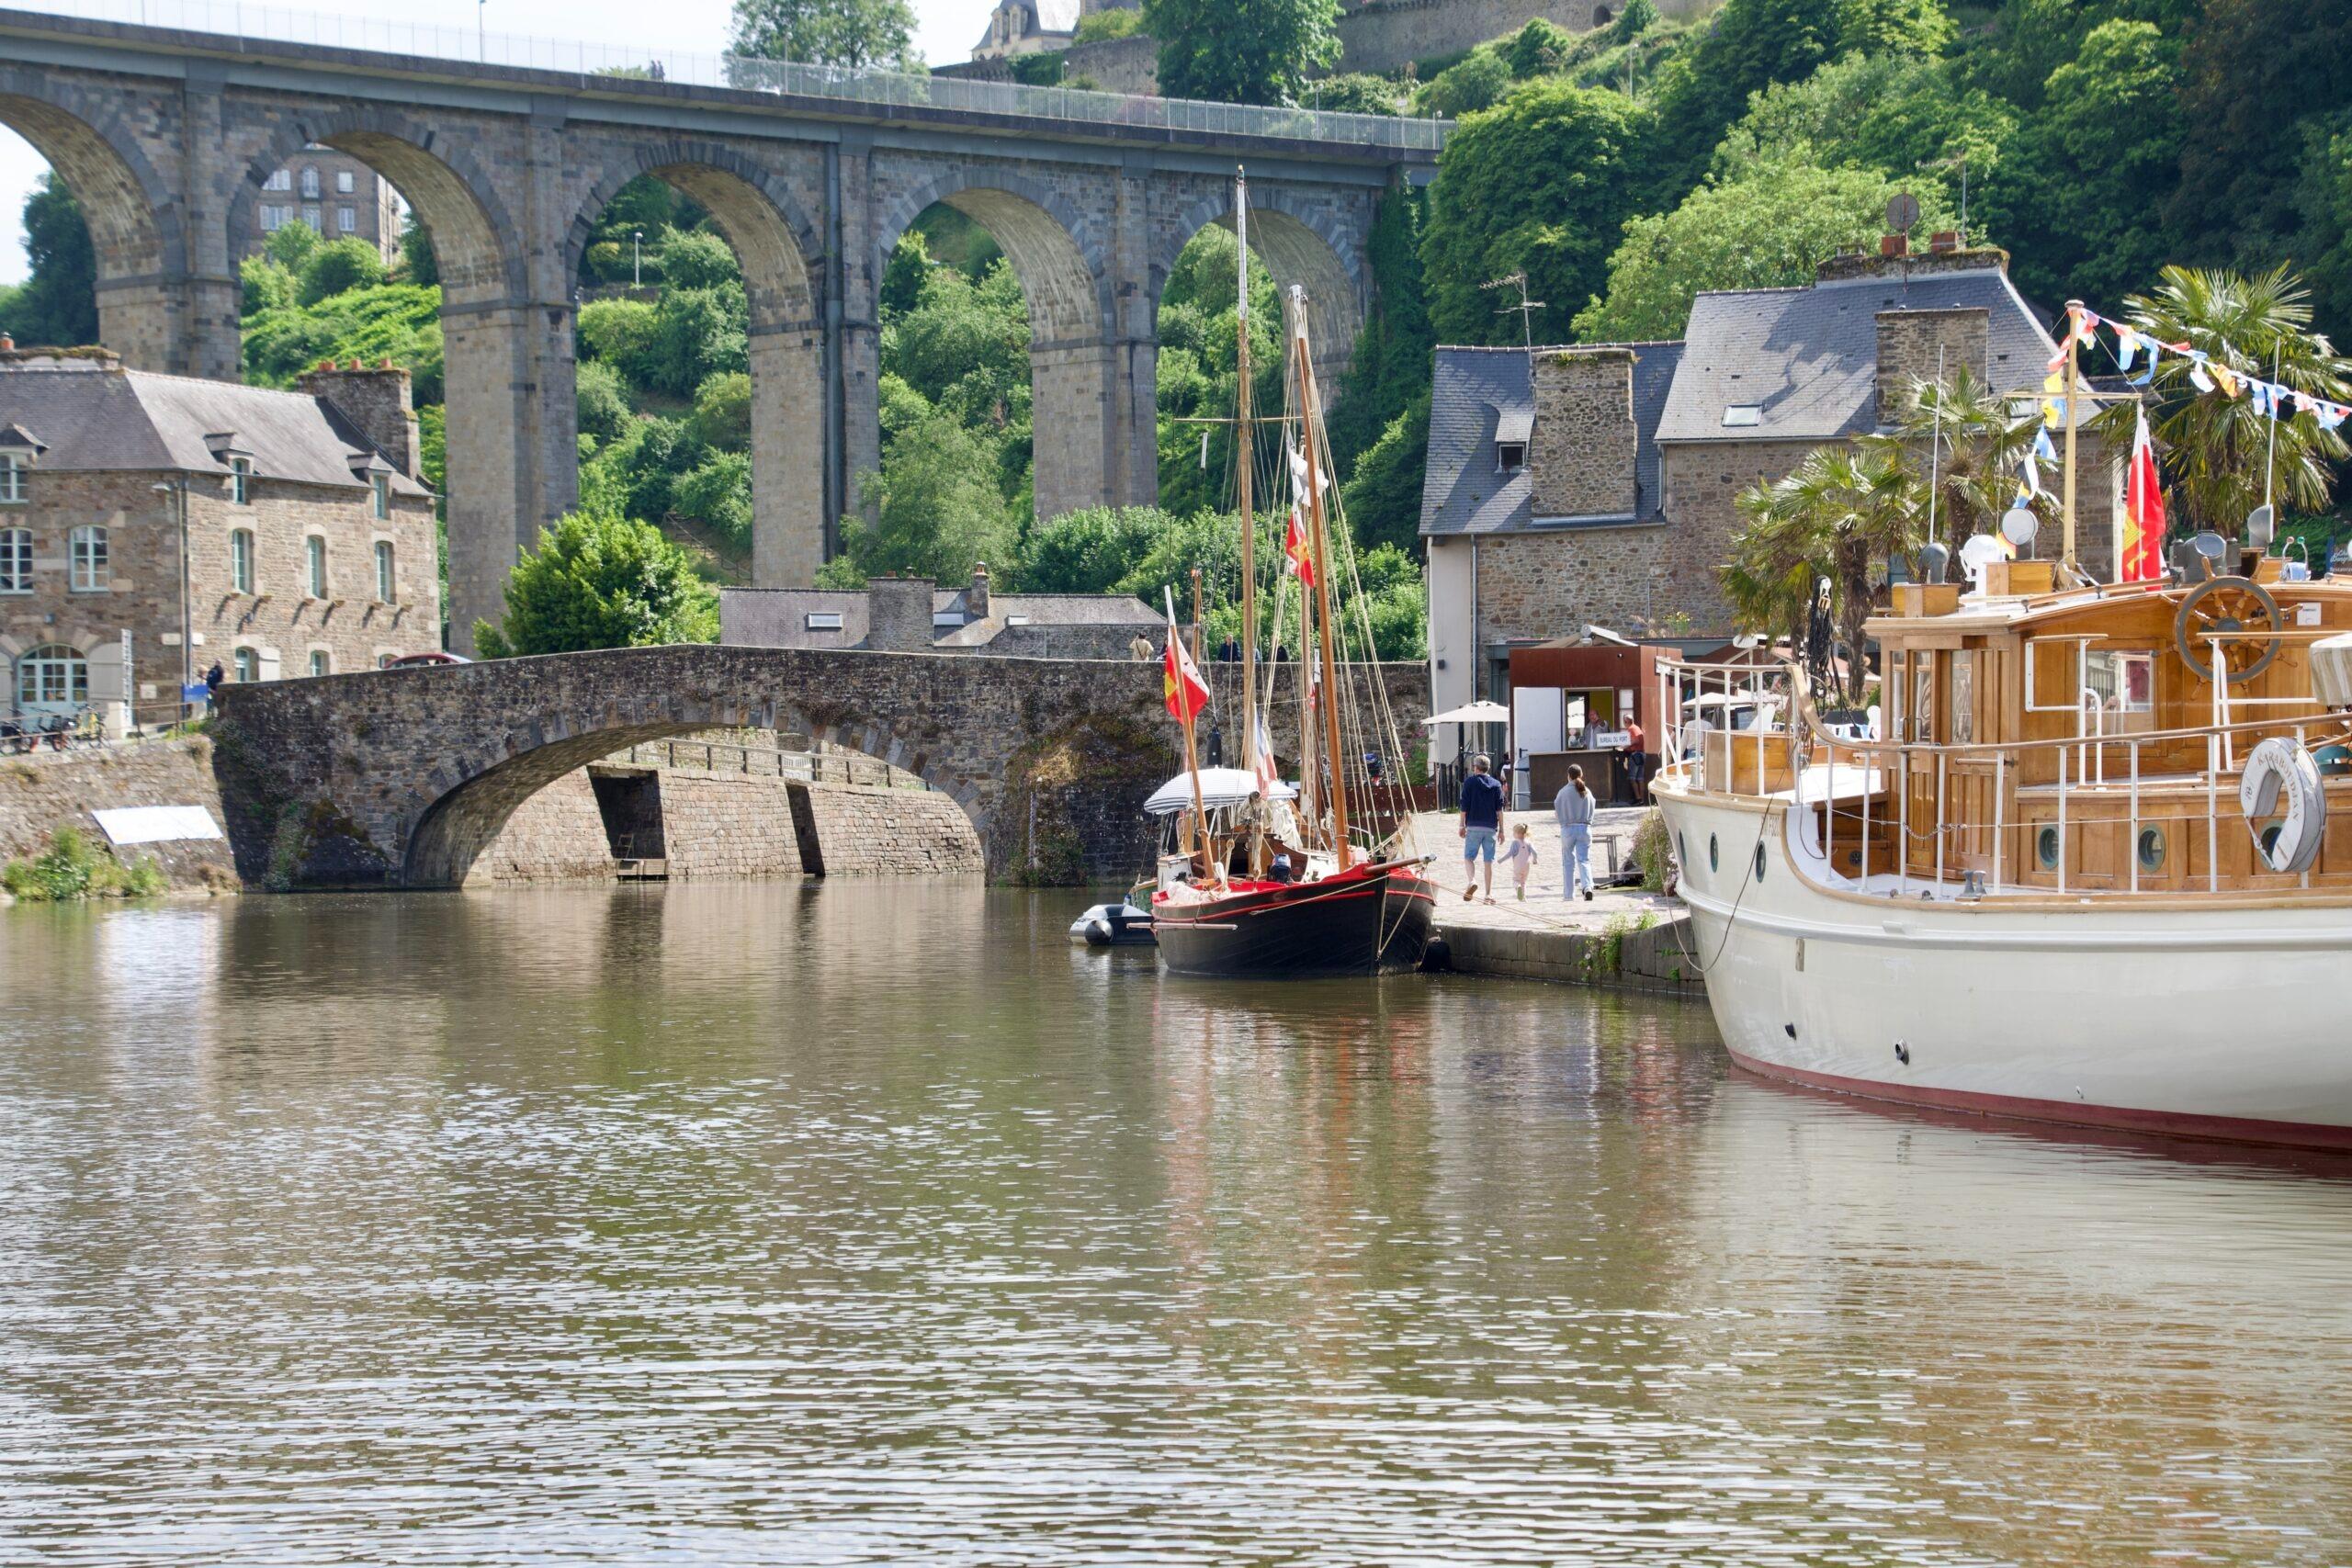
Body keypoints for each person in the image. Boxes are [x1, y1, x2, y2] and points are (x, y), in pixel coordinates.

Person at [1458, 752, 1504, 903]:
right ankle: (1488, 895)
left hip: (1473, 826)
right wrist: (1502, 830)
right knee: (1488, 862)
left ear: (1475, 767)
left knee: (1469, 858)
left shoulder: (1469, 783)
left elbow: (1464, 806)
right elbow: (1500, 810)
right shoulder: (1496, 785)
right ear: (1488, 768)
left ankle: (1472, 881)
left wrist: (1461, 825)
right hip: (1490, 827)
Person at [1555, 763, 1596, 901]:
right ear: (1581, 775)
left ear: (1568, 776)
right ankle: (1587, 886)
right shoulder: (1587, 791)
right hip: (1584, 828)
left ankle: (1568, 894)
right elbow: (1593, 810)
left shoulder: (1563, 792)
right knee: (1584, 860)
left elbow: (1557, 811)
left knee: (1568, 862)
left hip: (1567, 828)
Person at [1498, 823, 1539, 901]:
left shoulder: (1515, 842)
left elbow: (1510, 854)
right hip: (1527, 866)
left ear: (1518, 833)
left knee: (1516, 880)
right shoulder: (1528, 842)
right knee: (1523, 881)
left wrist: (1501, 860)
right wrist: (1535, 860)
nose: (1513, 834)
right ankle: (1523, 897)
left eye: (1514, 833)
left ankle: (1518, 887)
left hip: (1518, 865)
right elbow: (1535, 852)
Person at [1623, 716, 1648, 807]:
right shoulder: (1637, 727)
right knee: (1640, 778)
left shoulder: (1631, 729)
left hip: (1635, 754)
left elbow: (1635, 740)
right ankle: (1642, 800)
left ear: (1626, 722)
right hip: (1642, 754)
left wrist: (1624, 747)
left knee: (1632, 778)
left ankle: (1638, 798)